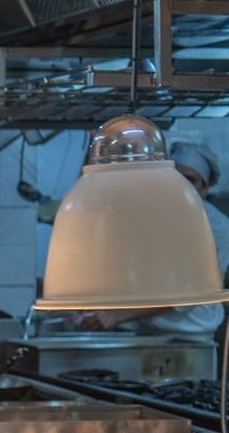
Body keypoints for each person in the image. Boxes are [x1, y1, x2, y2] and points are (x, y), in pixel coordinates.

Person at [70, 139, 229, 339]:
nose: (181, 186)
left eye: (190, 180)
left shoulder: (217, 227)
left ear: (205, 188)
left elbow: (189, 292)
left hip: (190, 337)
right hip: (145, 333)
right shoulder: (154, 215)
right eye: (176, 178)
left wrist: (115, 315)